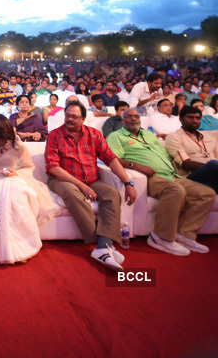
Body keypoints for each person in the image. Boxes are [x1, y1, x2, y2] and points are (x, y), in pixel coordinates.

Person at [108, 109, 215, 255]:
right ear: (122, 120)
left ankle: (184, 234)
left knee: (206, 193)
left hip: (172, 175)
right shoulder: (116, 136)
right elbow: (113, 159)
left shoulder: (148, 134)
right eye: (129, 117)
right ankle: (161, 237)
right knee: (175, 191)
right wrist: (137, 166)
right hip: (151, 177)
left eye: (136, 116)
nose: (133, 119)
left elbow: (165, 154)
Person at [44, 101, 136, 271]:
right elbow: (53, 167)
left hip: (92, 179)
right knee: (73, 193)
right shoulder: (55, 135)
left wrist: (127, 182)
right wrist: (82, 187)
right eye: (67, 116)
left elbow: (110, 159)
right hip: (62, 180)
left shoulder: (94, 134)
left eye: (74, 117)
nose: (69, 119)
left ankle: (103, 246)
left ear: (83, 119)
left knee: (112, 193)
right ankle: (102, 243)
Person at [0, 114, 61, 264]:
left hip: (14, 178)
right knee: (2, 193)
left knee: (13, 191)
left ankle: (23, 244)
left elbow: (29, 167)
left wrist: (16, 173)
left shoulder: (17, 145)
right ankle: (9, 248)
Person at [165, 106, 218, 193]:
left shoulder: (207, 136)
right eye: (190, 117)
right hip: (192, 175)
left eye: (198, 118)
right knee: (213, 164)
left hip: (214, 174)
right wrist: (210, 167)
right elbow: (186, 163)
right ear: (180, 119)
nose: (195, 121)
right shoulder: (174, 138)